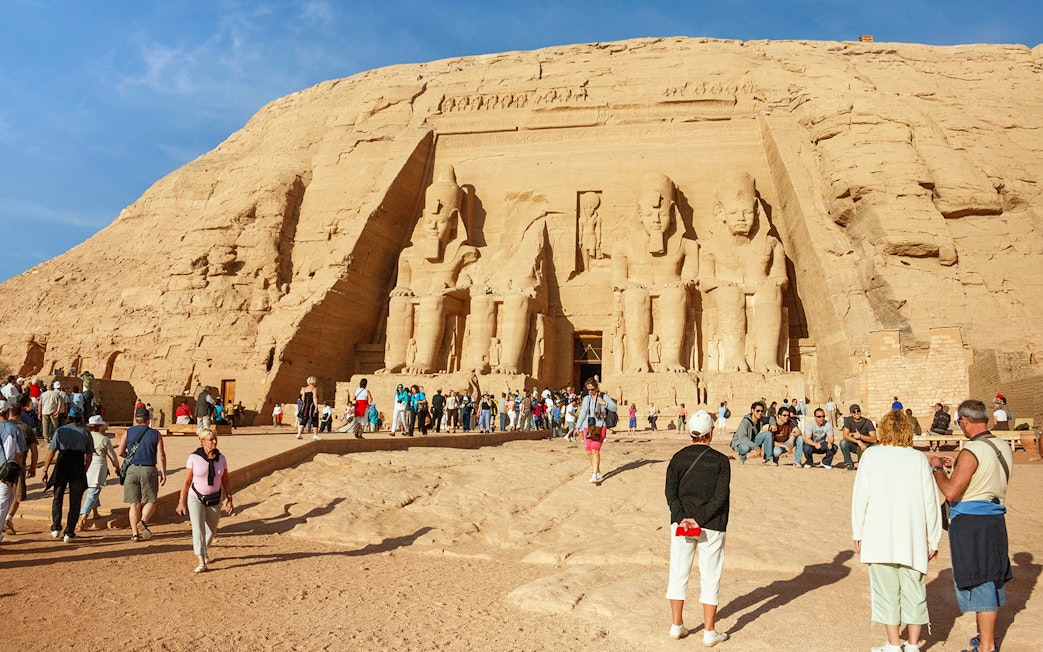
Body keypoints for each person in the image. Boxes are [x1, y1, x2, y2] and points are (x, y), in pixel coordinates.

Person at [852, 410, 942, 652]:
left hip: (879, 535)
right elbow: (931, 502)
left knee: (886, 590)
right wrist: (934, 539)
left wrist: (857, 532)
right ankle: (912, 645)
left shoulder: (871, 456)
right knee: (914, 590)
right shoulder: (918, 459)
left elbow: (861, 497)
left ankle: (894, 644)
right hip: (912, 537)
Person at [929, 400, 1013, 652]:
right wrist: (954, 466)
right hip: (994, 519)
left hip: (973, 523)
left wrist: (936, 468)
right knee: (991, 576)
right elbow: (984, 478)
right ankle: (984, 637)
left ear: (964, 421)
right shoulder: (1001, 445)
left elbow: (952, 491)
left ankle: (986, 646)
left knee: (980, 579)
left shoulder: (972, 450)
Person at [664, 409, 730, 646]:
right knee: (710, 575)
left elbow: (671, 493)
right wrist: (700, 519)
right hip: (712, 525)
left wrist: (683, 518)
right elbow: (720, 496)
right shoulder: (721, 461)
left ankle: (676, 625)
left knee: (678, 573)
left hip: (682, 525)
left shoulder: (677, 458)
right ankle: (710, 632)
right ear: (710, 433)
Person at [175, 427, 234, 573]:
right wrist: (182, 501)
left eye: (215, 439)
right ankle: (201, 560)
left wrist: (230, 499)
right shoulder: (194, 458)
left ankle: (204, 550)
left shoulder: (221, 458)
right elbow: (187, 481)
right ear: (202, 442)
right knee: (198, 528)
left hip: (215, 497)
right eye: (211, 439)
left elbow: (225, 480)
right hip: (196, 497)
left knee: (211, 530)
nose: (214, 442)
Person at [40, 410, 92, 543]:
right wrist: (83, 470)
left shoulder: (61, 430)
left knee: (58, 495)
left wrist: (45, 469)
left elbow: (51, 452)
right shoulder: (85, 432)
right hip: (77, 463)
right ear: (80, 419)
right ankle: (69, 531)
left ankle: (56, 527)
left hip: (62, 462)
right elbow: (89, 456)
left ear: (69, 417)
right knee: (75, 500)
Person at [117, 406, 167, 542]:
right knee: (151, 500)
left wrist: (130, 457)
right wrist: (163, 472)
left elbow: (120, 451)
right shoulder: (155, 434)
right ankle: (143, 522)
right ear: (148, 419)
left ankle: (135, 534)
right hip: (149, 468)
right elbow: (161, 454)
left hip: (132, 469)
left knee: (134, 504)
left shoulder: (128, 432)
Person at [77, 415, 120, 531]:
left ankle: (95, 512)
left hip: (85, 464)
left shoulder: (84, 437)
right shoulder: (103, 439)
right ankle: (83, 517)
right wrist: (117, 466)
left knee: (93, 488)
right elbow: (112, 455)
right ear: (99, 426)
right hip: (97, 465)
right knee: (93, 490)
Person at [573, 378, 617, 483]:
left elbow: (614, 408)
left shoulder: (603, 396)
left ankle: (594, 475)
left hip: (600, 426)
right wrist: (577, 427)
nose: (590, 392)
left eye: (592, 389)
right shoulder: (586, 399)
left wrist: (604, 403)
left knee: (595, 449)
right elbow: (583, 413)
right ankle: (597, 471)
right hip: (587, 426)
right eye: (588, 390)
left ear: (596, 387)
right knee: (589, 451)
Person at [0, 401, 26, 544]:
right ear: (7, 412)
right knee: (3, 503)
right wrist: (19, 469)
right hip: (6, 470)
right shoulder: (15, 429)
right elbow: (20, 453)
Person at [839, 404, 877, 471]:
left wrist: (860, 436)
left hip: (867, 446)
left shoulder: (867, 422)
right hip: (856, 445)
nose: (856, 413)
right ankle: (849, 463)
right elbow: (845, 435)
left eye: (858, 411)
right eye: (854, 412)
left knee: (877, 445)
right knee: (843, 442)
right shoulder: (848, 420)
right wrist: (858, 441)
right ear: (851, 413)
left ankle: (874, 464)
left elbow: (874, 439)